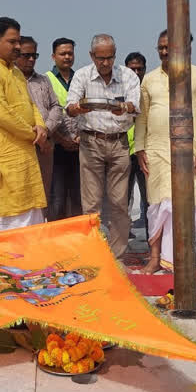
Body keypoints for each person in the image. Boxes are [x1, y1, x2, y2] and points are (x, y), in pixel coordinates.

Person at [134, 30, 196, 273]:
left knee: (186, 207)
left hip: (189, 155)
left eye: (169, 47)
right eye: (160, 47)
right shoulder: (149, 79)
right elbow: (142, 118)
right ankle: (155, 257)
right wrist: (139, 149)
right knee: (156, 207)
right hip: (156, 152)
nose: (164, 52)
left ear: (185, 48)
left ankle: (181, 258)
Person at [67, 34, 140, 259]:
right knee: (91, 203)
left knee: (119, 202)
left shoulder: (127, 75)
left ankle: (117, 253)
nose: (105, 63)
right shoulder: (82, 75)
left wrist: (125, 107)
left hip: (118, 143)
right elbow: (69, 107)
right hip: (91, 142)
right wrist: (78, 108)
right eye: (100, 58)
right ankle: (92, 250)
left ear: (115, 56)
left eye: (109, 58)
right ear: (92, 56)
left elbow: (136, 105)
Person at [0, 17, 48, 232]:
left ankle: (31, 263)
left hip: (25, 154)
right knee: (6, 221)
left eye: (18, 42)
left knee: (30, 216)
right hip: (3, 158)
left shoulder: (15, 71)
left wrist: (41, 127)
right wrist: (31, 132)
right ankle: (5, 265)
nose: (17, 46)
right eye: (12, 42)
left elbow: (31, 104)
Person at [15, 36, 62, 204]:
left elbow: (56, 107)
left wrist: (46, 130)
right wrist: (32, 134)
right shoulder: (9, 79)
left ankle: (42, 228)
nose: (31, 59)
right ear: (15, 54)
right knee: (21, 194)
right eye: (26, 55)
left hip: (45, 146)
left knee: (43, 195)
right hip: (21, 146)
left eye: (35, 55)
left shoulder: (43, 80)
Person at [46, 37, 83, 221]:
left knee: (78, 198)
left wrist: (80, 138)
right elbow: (44, 114)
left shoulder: (81, 79)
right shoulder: (46, 80)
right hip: (56, 148)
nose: (67, 57)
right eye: (63, 53)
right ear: (53, 56)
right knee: (57, 199)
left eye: (70, 53)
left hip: (79, 147)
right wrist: (61, 139)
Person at [124, 52, 149, 236]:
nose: (136, 72)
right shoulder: (118, 89)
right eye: (132, 69)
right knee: (122, 197)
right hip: (123, 150)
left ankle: (152, 233)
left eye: (139, 69)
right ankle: (124, 232)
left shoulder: (148, 89)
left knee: (150, 196)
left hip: (145, 151)